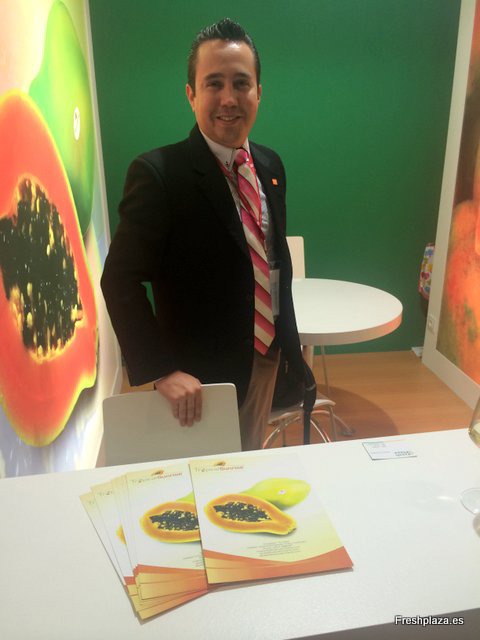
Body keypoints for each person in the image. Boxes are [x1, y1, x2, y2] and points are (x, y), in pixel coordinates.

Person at [101, 18, 304, 450]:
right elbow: (119, 279)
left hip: (264, 358)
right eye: (214, 83)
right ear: (191, 94)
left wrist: (288, 348)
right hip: (198, 381)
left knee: (249, 456)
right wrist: (160, 370)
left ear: (259, 92)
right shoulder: (158, 175)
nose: (229, 98)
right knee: (206, 476)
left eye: (241, 83)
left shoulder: (270, 166)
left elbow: (272, 261)